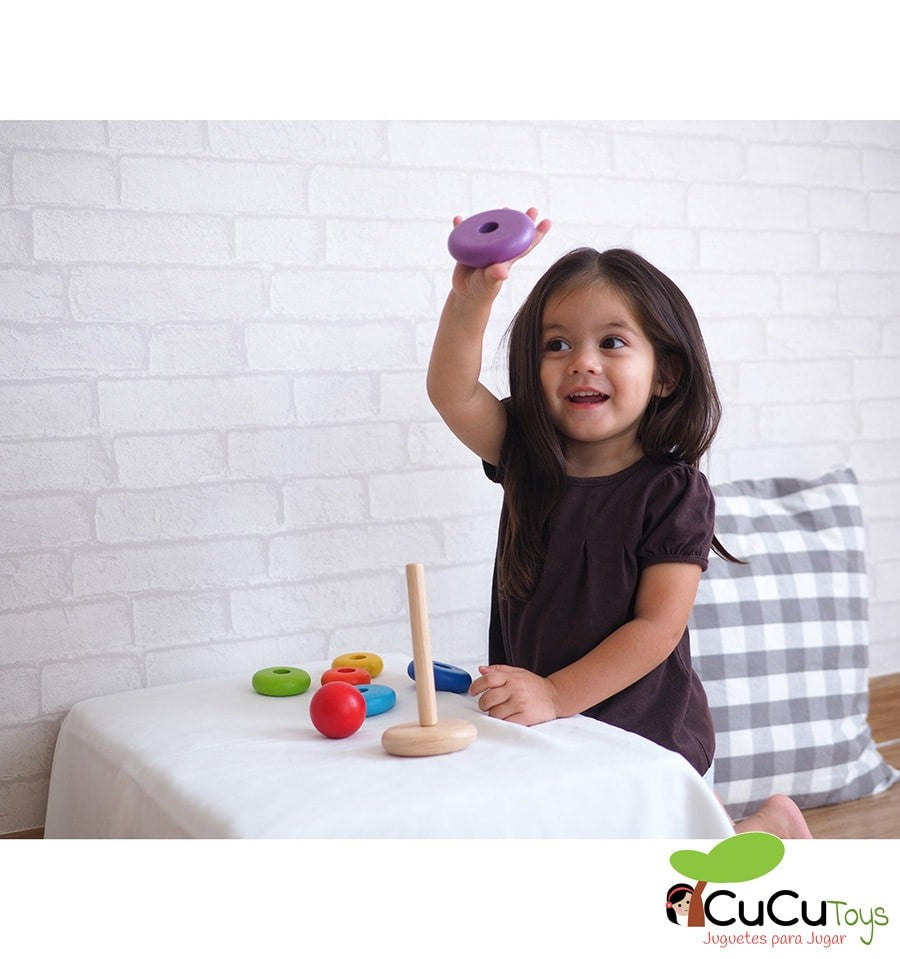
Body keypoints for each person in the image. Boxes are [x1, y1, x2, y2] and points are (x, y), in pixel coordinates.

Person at [427, 208, 812, 840]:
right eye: (557, 345)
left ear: (666, 374)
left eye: (612, 342)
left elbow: (657, 628)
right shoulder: (526, 456)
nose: (582, 362)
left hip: (647, 734)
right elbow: (453, 392)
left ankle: (769, 828)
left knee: (682, 874)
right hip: (551, 727)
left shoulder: (672, 491)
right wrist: (472, 302)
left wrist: (555, 693)